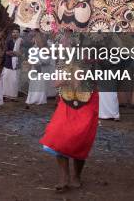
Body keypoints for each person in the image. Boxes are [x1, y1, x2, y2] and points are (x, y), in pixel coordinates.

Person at [40, 60, 98, 191]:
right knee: (58, 134)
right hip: (67, 100)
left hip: (88, 100)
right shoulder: (65, 59)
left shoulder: (97, 54)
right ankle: (64, 176)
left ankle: (76, 176)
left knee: (81, 137)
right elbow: (56, 83)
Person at [26, 31, 50, 107]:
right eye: (37, 39)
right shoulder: (33, 48)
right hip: (34, 69)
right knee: (33, 84)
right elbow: (30, 57)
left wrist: (39, 62)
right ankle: (32, 99)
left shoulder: (46, 49)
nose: (39, 41)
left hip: (42, 70)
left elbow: (47, 60)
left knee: (40, 85)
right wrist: (33, 61)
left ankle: (40, 99)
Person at [2, 26, 22, 101]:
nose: (15, 34)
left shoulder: (21, 41)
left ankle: (13, 96)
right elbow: (7, 52)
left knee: (14, 81)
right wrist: (15, 53)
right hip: (8, 63)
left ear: (19, 34)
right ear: (11, 33)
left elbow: (21, 53)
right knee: (6, 79)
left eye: (17, 32)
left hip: (17, 64)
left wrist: (13, 53)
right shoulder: (8, 41)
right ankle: (5, 95)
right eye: (13, 32)